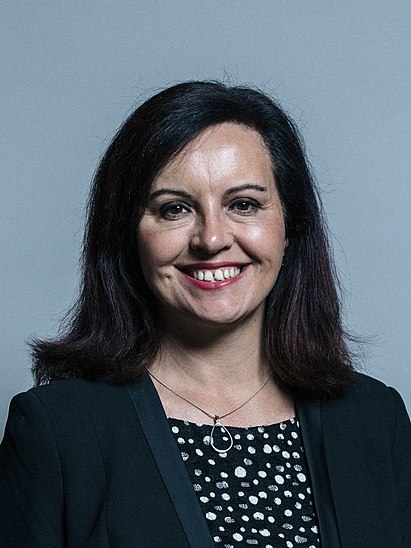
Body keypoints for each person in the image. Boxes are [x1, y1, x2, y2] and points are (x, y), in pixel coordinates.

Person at [0, 81, 410, 548]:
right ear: (127, 234)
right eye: (175, 209)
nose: (212, 239)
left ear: (290, 226)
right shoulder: (57, 432)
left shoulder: (375, 420)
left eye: (244, 204)